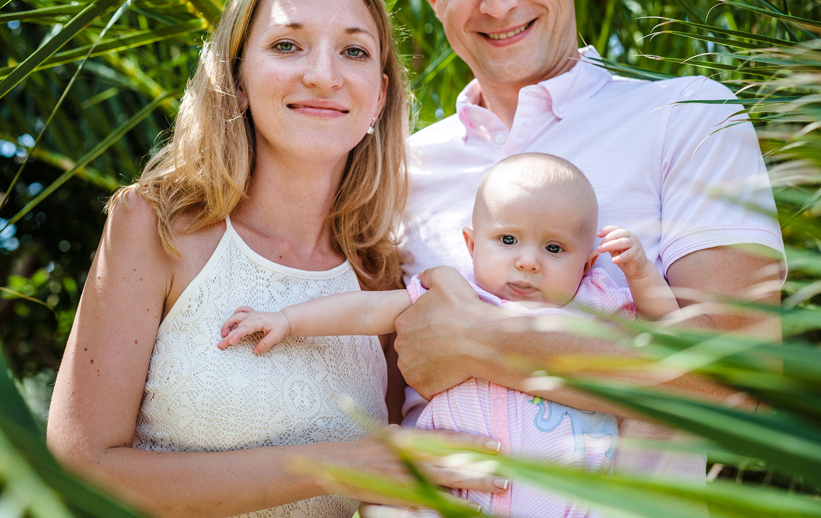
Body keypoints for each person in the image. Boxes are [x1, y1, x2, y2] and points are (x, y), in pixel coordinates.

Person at [46, 0, 505, 518]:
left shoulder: (379, 272)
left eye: (354, 50)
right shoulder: (153, 227)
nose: (323, 74)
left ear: (379, 98)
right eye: (288, 45)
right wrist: (338, 464)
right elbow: (80, 466)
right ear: (237, 81)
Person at [393, 0, 786, 491]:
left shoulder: (684, 116)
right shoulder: (402, 171)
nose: (498, 0)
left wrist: (486, 339)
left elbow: (743, 382)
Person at [218, 152, 679, 517]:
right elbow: (366, 311)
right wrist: (290, 319)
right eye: (508, 240)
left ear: (588, 261)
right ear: (472, 245)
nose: (528, 260)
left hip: (572, 499)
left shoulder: (595, 301)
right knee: (386, 509)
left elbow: (669, 337)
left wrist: (640, 274)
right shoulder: (457, 297)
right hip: (455, 493)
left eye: (554, 248)